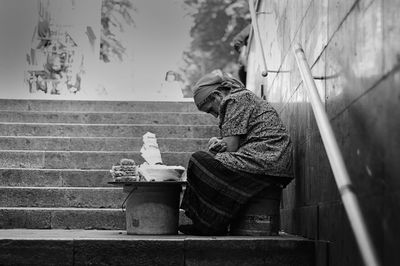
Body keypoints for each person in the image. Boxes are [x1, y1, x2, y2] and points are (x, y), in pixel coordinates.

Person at [179, 71, 293, 236]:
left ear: (217, 95)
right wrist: (218, 142)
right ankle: (210, 222)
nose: (214, 115)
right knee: (208, 163)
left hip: (265, 161)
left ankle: (207, 223)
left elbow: (230, 148)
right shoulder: (243, 98)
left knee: (198, 161)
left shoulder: (234, 100)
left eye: (210, 110)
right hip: (271, 161)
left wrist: (218, 146)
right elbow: (232, 144)